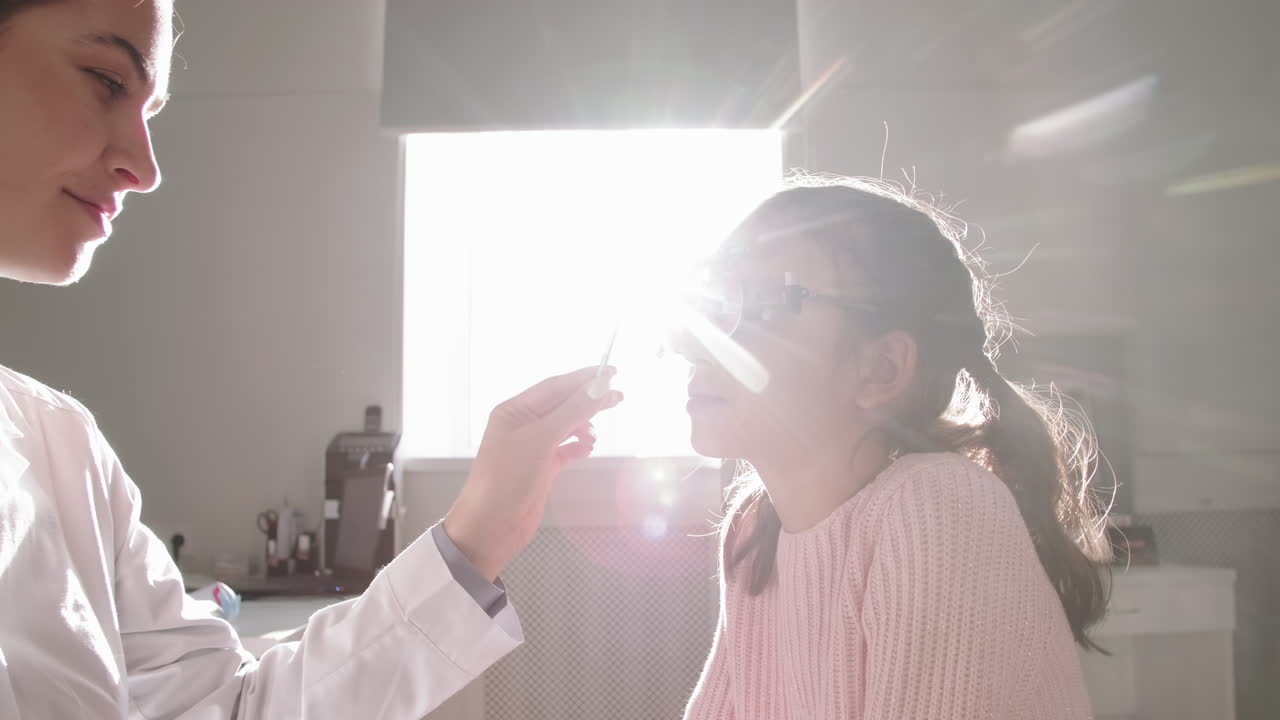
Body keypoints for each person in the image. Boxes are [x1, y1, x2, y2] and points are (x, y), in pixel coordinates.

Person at [0, 0, 622, 717]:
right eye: (107, 81)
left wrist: (477, 536)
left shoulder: (61, 450)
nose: (144, 168)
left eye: (152, 111)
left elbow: (228, 710)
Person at [678, 175, 1112, 719]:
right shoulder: (754, 530)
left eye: (760, 302)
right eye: (712, 302)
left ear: (881, 369)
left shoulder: (941, 508)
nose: (695, 341)